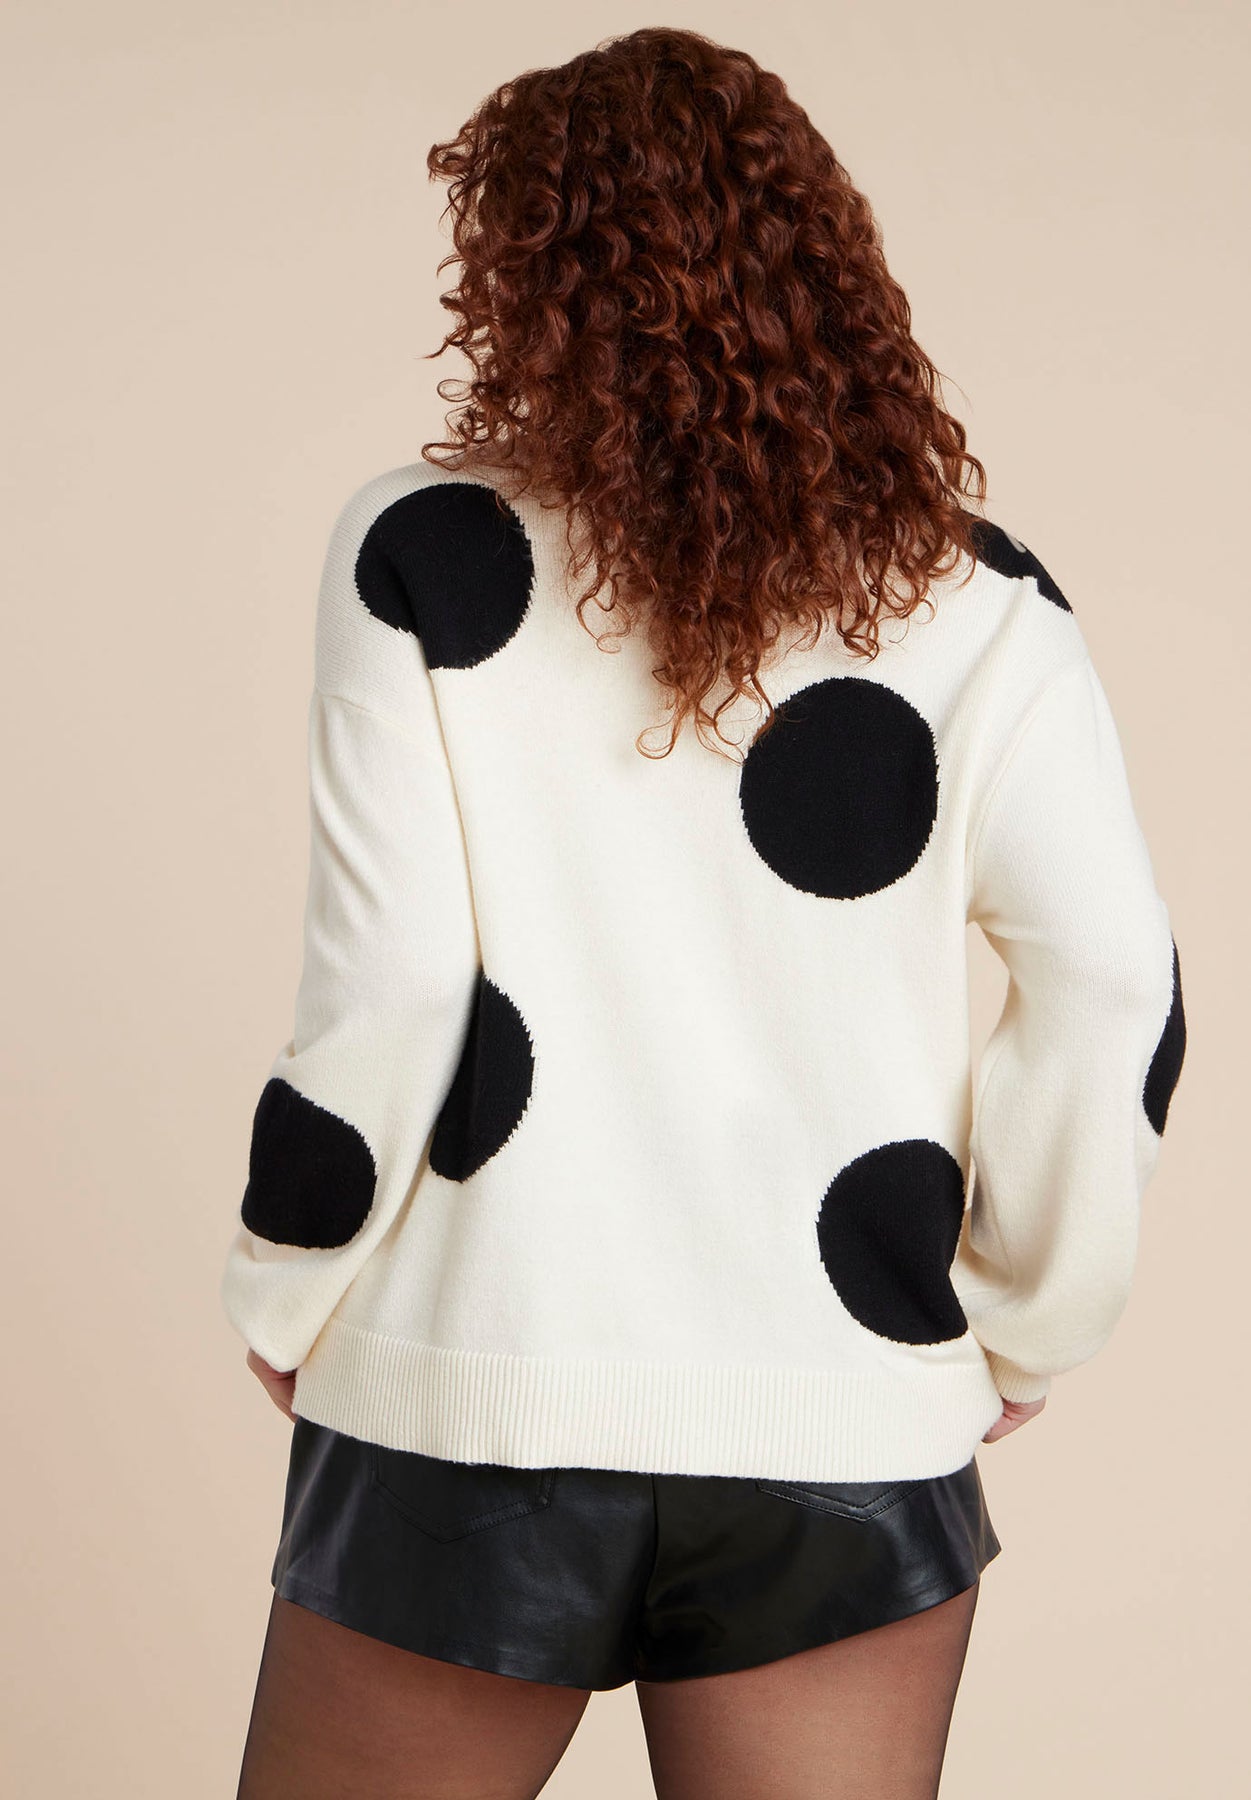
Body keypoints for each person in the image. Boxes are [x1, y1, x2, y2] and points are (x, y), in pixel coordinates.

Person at [221, 26, 1187, 1800]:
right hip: (841, 1420)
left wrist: (288, 1284)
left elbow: (395, 986)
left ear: (522, 283)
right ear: (828, 267)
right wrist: (1025, 1313)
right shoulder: (987, 607)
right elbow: (1115, 985)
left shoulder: (416, 553)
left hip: (481, 1386)